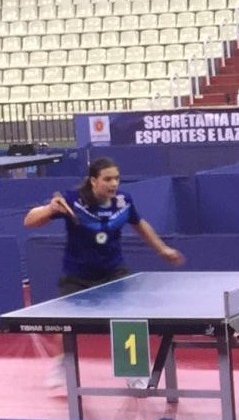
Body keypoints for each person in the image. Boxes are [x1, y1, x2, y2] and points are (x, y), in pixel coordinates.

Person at [24, 156, 185, 389]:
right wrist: (49, 209)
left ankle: (133, 372)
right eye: (108, 179)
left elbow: (140, 224)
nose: (114, 184)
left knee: (128, 320)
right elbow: (29, 221)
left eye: (117, 178)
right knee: (64, 324)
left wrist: (162, 249)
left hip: (113, 271)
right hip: (77, 273)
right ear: (93, 181)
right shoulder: (73, 201)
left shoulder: (123, 201)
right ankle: (62, 364)